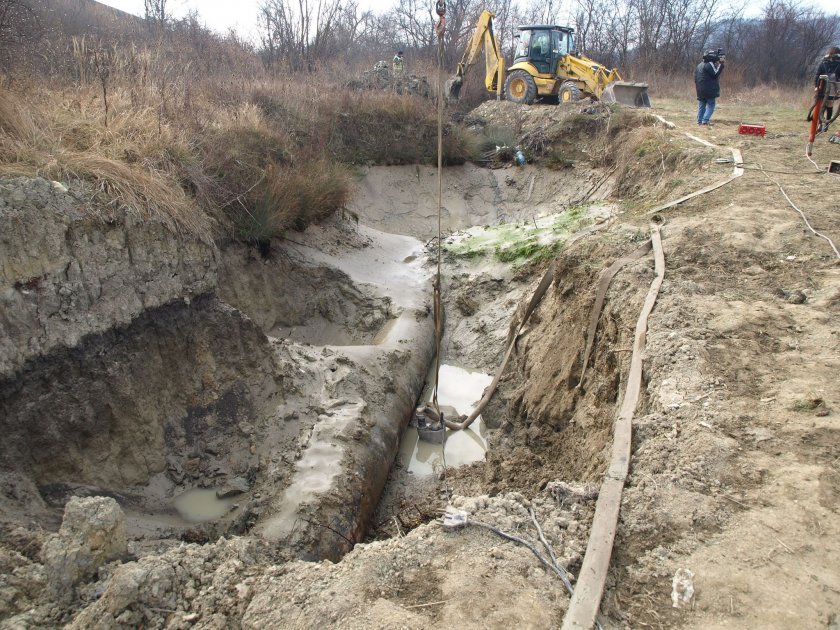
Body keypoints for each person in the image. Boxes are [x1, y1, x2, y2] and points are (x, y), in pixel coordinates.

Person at [813, 46, 840, 139]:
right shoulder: (824, 63)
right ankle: (824, 124)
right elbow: (818, 75)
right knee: (827, 105)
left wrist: (816, 86)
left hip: (828, 89)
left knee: (825, 105)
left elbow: (817, 75)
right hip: (826, 88)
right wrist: (816, 86)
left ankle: (824, 124)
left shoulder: (824, 63)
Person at [695, 49, 725, 126]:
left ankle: (699, 121)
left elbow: (695, 78)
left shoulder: (699, 65)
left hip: (700, 89)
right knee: (711, 105)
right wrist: (721, 64)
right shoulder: (709, 64)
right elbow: (715, 74)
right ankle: (705, 121)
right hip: (709, 90)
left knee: (702, 105)